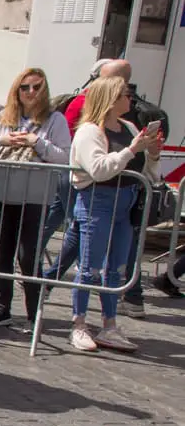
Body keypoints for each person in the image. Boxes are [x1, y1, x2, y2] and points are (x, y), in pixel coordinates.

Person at [67, 76, 161, 353]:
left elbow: (146, 170)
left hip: (126, 202)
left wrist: (152, 152)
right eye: (123, 94)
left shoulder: (129, 127)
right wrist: (132, 150)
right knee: (89, 267)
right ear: (109, 99)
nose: (129, 99)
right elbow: (99, 169)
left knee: (116, 269)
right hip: (98, 201)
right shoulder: (89, 131)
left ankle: (109, 324)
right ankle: (79, 324)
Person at [0, 68, 71, 332]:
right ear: (16, 90)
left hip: (34, 195)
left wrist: (35, 142)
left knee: (29, 256)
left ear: (45, 89)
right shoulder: (3, 118)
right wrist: (1, 140)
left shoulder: (55, 120)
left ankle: (33, 313)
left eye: (37, 87)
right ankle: (2, 309)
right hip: (0, 192)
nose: (31, 92)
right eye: (25, 87)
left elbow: (64, 157)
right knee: (2, 254)